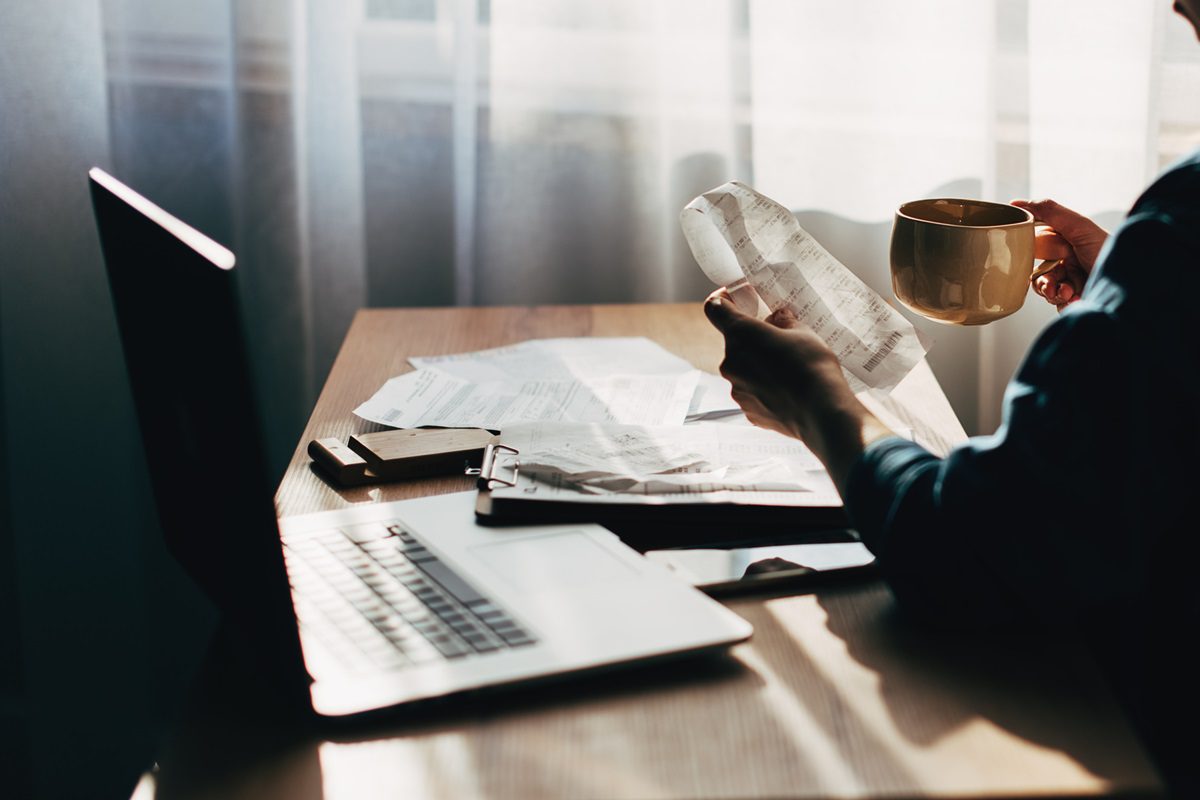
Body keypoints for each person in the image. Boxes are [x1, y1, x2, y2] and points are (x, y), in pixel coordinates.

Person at [703, 3, 1200, 793]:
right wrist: (1139, 308)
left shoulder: (1183, 225)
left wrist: (819, 403)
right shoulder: (1174, 248)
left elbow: (975, 549)